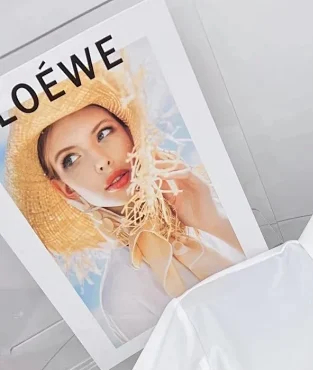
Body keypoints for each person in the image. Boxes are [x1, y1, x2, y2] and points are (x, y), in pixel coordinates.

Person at [5, 69, 244, 343]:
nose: (101, 161)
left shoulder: (215, 189)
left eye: (104, 133)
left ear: (129, 131)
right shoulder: (122, 296)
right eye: (71, 159)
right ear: (67, 190)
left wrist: (213, 221)